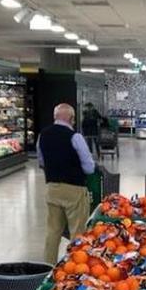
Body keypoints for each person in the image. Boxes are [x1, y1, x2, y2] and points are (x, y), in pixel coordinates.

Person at [38, 103, 96, 263]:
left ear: (54, 117)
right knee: (77, 231)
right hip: (74, 189)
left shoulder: (42, 135)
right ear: (72, 119)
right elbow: (89, 167)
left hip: (52, 188)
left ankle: (48, 267)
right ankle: (74, 267)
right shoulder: (75, 137)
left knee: (53, 231)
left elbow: (41, 160)